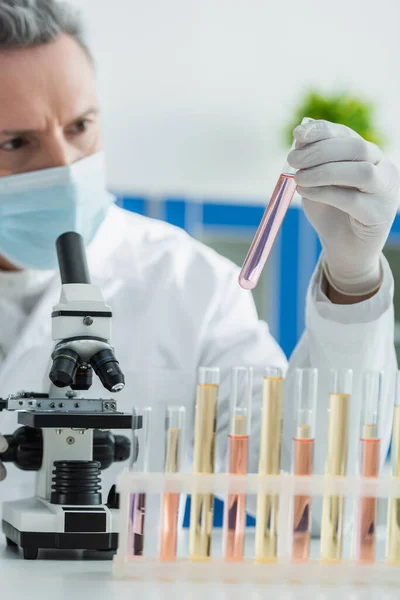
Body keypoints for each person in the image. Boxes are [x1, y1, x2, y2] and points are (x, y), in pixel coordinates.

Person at [0, 0, 398, 532]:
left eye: (80, 126)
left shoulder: (190, 284)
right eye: (15, 142)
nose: (66, 168)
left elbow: (310, 501)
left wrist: (353, 280)